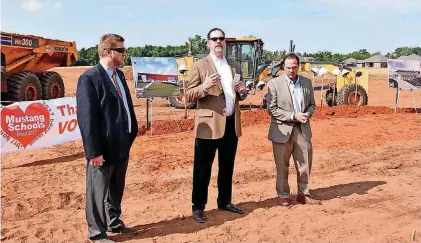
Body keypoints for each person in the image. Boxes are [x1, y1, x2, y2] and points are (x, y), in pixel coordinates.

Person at [76, 34, 138, 242]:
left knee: (116, 188)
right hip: (103, 148)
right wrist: (93, 151)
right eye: (121, 50)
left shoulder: (119, 75)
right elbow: (87, 119)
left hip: (122, 144)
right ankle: (97, 232)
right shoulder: (90, 78)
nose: (124, 54)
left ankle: (114, 222)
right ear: (109, 52)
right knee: (97, 192)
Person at [185, 28, 248, 223]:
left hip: (231, 123)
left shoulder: (235, 66)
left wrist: (243, 91)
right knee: (202, 168)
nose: (218, 42)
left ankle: (224, 201)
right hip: (208, 126)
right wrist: (204, 87)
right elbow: (187, 95)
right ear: (208, 43)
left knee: (227, 166)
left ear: (225, 42)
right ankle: (198, 207)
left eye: (222, 38)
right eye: (215, 39)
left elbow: (240, 94)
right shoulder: (199, 66)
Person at [266, 53, 321, 207]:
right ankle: (283, 195)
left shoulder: (307, 83)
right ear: (283, 67)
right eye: (288, 67)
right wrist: (293, 116)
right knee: (282, 166)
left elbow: (312, 104)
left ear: (299, 66)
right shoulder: (274, 84)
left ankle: (304, 194)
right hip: (282, 130)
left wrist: (307, 114)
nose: (291, 70)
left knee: (305, 163)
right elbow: (272, 109)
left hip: (302, 129)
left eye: (294, 67)